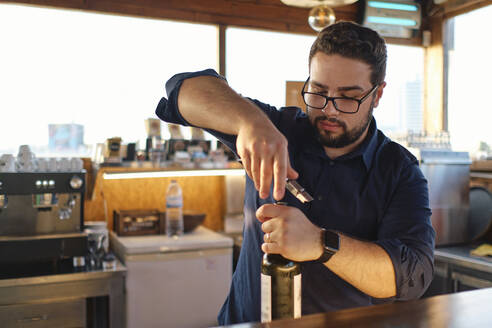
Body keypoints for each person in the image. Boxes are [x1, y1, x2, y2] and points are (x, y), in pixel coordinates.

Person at [155, 21, 435, 325]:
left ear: (377, 95)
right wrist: (249, 121)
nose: (330, 109)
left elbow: (411, 276)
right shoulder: (276, 128)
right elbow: (181, 90)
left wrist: (321, 243)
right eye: (318, 91)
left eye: (347, 96)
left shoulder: (399, 171)